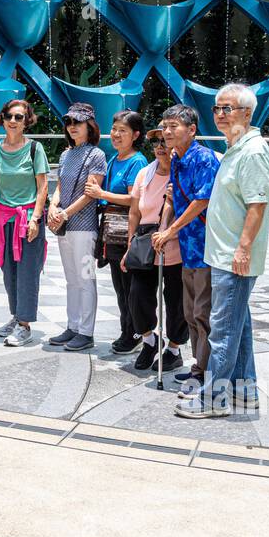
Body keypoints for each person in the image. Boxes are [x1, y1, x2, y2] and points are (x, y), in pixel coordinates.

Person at [176, 85, 269, 418]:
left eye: (227, 108)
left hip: (234, 257)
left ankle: (213, 400)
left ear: (247, 113)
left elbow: (257, 205)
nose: (219, 114)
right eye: (217, 108)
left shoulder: (253, 151)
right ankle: (245, 392)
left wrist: (243, 249)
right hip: (222, 254)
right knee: (239, 326)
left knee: (223, 329)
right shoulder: (234, 147)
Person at [152, 104, 220, 387]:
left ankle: (207, 369)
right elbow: (173, 197)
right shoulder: (177, 157)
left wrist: (171, 230)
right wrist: (165, 228)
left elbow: (202, 200)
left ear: (191, 129)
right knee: (190, 310)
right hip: (187, 248)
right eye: (164, 126)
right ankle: (198, 365)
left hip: (205, 246)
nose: (167, 131)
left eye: (173, 126)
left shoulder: (203, 158)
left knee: (203, 311)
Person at [0, 98, 49, 348]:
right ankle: (17, 317)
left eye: (20, 117)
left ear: (27, 120)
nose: (14, 121)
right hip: (4, 220)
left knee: (28, 272)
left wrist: (36, 219)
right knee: (9, 273)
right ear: (3, 119)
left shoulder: (34, 149)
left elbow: (42, 188)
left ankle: (25, 326)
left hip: (27, 219)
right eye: (10, 116)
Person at [121, 127, 188, 373]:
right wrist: (130, 245)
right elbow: (134, 212)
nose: (160, 145)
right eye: (156, 141)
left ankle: (174, 349)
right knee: (137, 296)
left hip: (176, 242)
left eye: (165, 140)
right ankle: (149, 340)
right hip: (145, 242)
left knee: (176, 301)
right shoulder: (144, 174)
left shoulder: (184, 172)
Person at [84, 109, 147, 354]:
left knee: (130, 285)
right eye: (115, 130)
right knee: (120, 286)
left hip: (126, 227)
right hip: (111, 229)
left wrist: (101, 194)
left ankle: (136, 332)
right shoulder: (114, 159)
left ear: (136, 135)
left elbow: (134, 199)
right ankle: (126, 330)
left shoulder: (137, 161)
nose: (117, 135)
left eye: (123, 131)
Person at [46, 102, 106, 352]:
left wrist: (64, 213)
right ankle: (72, 325)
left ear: (89, 125)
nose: (72, 127)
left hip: (83, 225)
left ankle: (86, 331)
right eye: (69, 123)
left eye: (77, 123)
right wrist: (53, 206)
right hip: (65, 224)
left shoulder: (96, 155)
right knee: (71, 279)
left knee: (85, 278)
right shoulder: (65, 154)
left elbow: (91, 193)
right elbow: (60, 185)